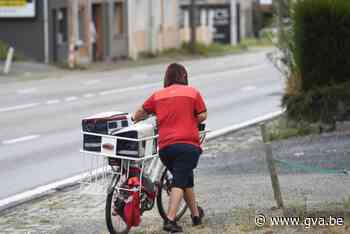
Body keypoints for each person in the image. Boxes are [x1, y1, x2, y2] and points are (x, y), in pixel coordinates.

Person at [133, 63, 207, 233]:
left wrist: (132, 118)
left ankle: (196, 215)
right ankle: (170, 219)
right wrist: (188, 121)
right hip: (187, 146)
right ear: (184, 77)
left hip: (166, 149)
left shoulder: (157, 96)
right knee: (179, 181)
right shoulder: (193, 93)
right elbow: (203, 115)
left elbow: (139, 113)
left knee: (186, 177)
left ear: (166, 78)